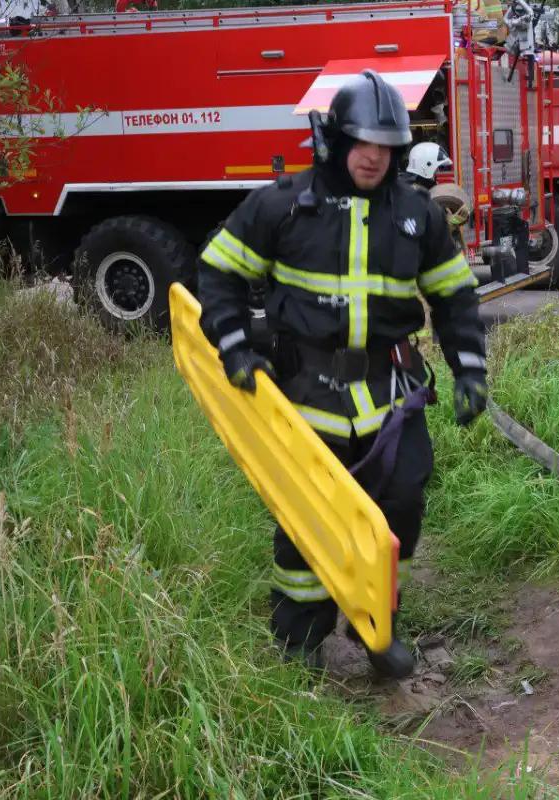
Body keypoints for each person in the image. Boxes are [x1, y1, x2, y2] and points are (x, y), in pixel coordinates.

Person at [195, 69, 490, 680]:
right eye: (362, 142)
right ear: (335, 140)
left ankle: (376, 626)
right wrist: (234, 348)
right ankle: (299, 643)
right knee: (307, 522)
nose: (373, 157)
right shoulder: (281, 204)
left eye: (385, 146)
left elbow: (455, 297)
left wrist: (469, 369)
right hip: (305, 392)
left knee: (401, 505)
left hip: (390, 393)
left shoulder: (418, 215)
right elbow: (218, 271)